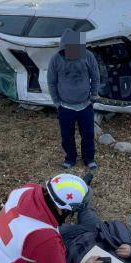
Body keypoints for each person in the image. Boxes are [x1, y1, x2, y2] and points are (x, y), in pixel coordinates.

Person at [47, 29, 100, 170]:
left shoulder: (88, 56)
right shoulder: (56, 59)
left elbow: (95, 76)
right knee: (67, 135)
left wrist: (93, 96)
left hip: (85, 105)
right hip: (65, 106)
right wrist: (57, 103)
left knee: (88, 134)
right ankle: (70, 158)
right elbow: (51, 82)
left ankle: (89, 158)